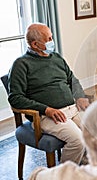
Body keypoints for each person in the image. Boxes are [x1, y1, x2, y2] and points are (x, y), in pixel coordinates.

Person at [8, 23, 90, 164]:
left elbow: (72, 79)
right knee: (78, 141)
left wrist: (80, 96)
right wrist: (46, 109)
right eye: (49, 38)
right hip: (46, 116)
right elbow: (15, 98)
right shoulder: (21, 64)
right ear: (35, 44)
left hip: (72, 109)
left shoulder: (56, 57)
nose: (53, 41)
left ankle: (82, 164)